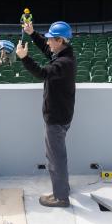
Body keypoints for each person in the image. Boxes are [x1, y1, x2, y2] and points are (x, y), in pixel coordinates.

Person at [16, 20, 76, 208]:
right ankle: (63, 188)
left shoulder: (63, 63)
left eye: (51, 39)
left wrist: (24, 57)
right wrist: (33, 33)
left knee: (55, 158)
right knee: (58, 155)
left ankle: (61, 197)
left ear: (60, 40)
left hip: (56, 118)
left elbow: (41, 73)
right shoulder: (65, 55)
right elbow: (46, 50)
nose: (48, 42)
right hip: (62, 114)